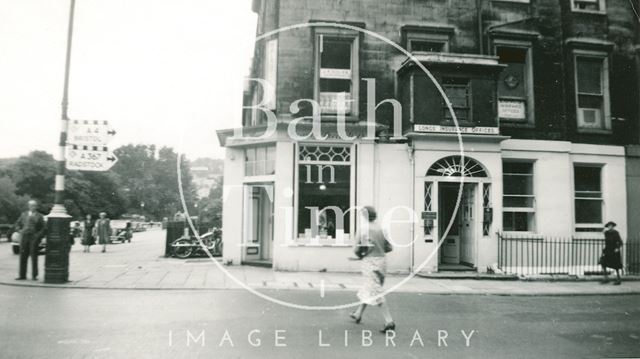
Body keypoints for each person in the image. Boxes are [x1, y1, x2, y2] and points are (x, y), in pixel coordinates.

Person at [349, 206, 395, 333]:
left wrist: (361, 255)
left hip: (370, 262)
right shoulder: (382, 229)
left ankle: (389, 321)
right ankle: (358, 313)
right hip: (382, 261)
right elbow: (389, 248)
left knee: (375, 291)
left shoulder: (363, 230)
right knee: (371, 287)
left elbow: (357, 249)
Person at [14, 200, 46, 281]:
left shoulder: (40, 216)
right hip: (24, 237)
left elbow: (44, 228)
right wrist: (19, 231)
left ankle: (34, 275)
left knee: (34, 256)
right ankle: (22, 275)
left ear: (36, 207)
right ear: (28, 206)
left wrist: (38, 236)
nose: (33, 207)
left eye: (35, 205)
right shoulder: (23, 214)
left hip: (33, 238)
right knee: (23, 256)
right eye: (31, 205)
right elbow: (17, 224)